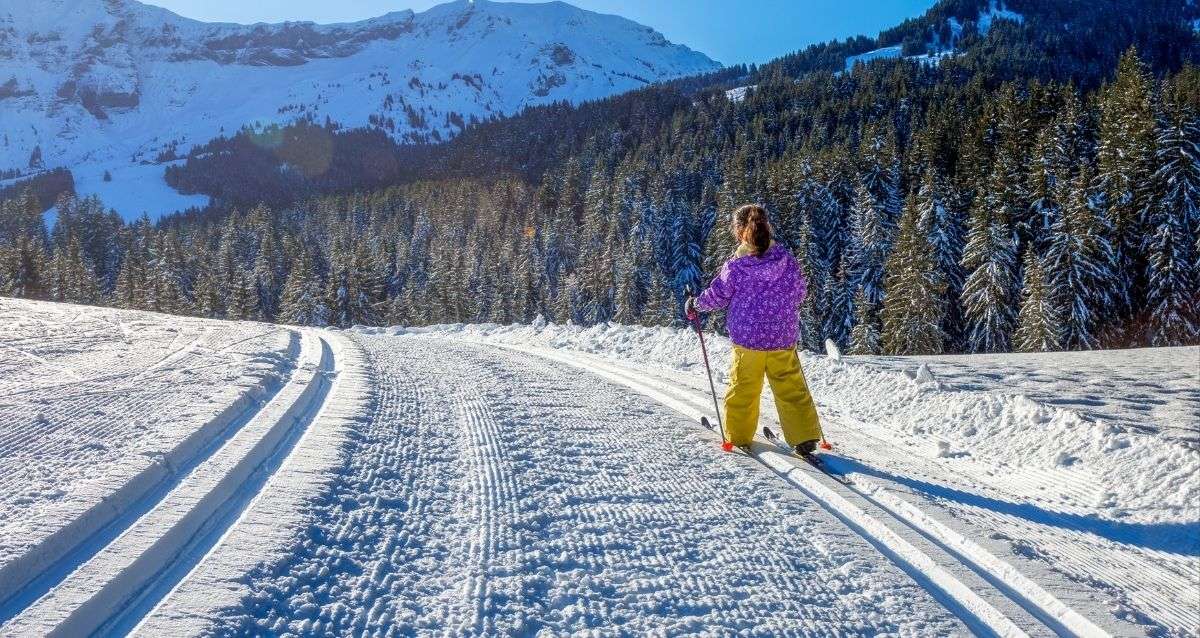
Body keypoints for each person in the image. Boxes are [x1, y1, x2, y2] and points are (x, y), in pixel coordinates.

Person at [685, 204, 823, 456]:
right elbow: (800, 292)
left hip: (748, 339)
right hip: (782, 334)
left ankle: (738, 435)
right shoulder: (786, 260)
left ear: (739, 231)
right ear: (766, 227)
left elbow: (717, 296)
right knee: (791, 387)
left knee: (744, 388)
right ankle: (804, 437)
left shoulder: (737, 266)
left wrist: (695, 303)